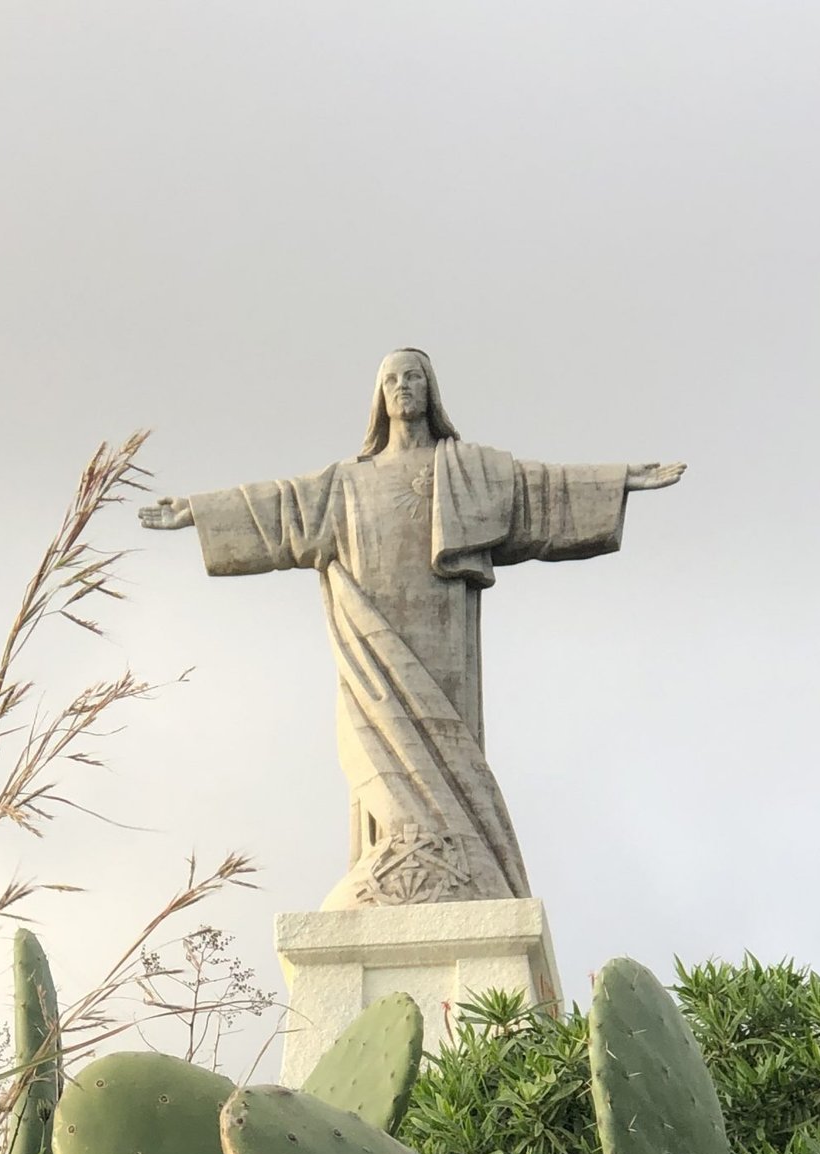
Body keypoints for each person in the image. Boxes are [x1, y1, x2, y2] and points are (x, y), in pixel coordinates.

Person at [141, 349, 683, 907]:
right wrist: (197, 512)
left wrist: (619, 482)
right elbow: (280, 508)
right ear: (380, 397)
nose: (403, 386)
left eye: (413, 377)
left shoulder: (465, 471)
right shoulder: (347, 483)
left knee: (447, 740)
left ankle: (457, 862)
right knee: (372, 743)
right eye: (392, 379)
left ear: (430, 391)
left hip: (442, 633)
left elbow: (536, 489)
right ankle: (392, 861)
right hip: (368, 641)